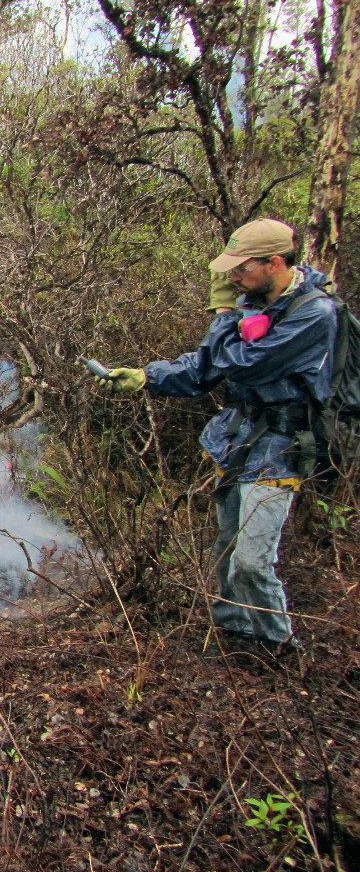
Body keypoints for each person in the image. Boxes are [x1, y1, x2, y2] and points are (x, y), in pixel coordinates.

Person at [101, 219, 336, 657]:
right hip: (238, 440)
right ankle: (234, 632)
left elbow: (243, 365)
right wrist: (146, 377)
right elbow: (206, 367)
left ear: (275, 262)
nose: (232, 277)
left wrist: (224, 314)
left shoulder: (314, 314)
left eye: (242, 268)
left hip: (281, 449)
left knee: (252, 559)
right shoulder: (255, 301)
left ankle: (277, 646)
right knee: (227, 549)